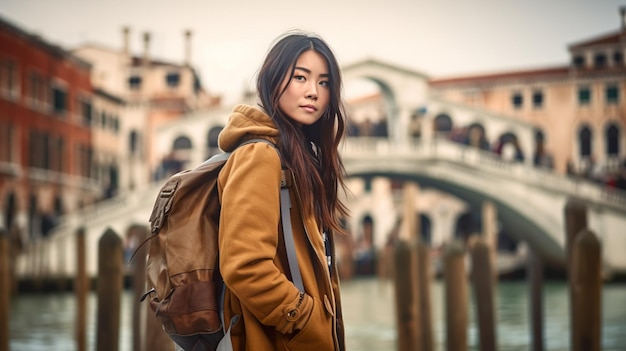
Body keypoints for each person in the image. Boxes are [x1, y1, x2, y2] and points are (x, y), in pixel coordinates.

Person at [216, 31, 349, 351]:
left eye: (324, 82)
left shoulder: (299, 156)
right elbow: (245, 265)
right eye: (300, 77)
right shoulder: (260, 156)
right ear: (273, 80)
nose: (313, 92)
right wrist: (303, 319)